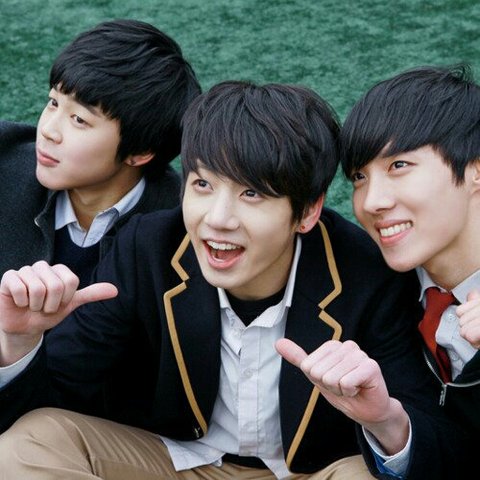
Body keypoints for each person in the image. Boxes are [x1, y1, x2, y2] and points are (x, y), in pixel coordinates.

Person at [0, 81, 467, 479]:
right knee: (32, 440)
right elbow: (58, 392)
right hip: (175, 462)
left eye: (251, 194)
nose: (218, 219)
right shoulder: (147, 247)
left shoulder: (367, 271)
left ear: (307, 211)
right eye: (203, 185)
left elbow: (440, 440)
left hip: (311, 472)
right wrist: (17, 344)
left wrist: (386, 421)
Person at [0, 18, 201, 286]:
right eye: (53, 102)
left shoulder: (184, 228)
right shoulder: (5, 156)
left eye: (79, 120)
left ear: (140, 151)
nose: (47, 130)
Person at [340, 65, 480, 437]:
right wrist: (387, 423)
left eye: (399, 165)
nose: (372, 201)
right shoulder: (377, 290)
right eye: (359, 177)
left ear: (475, 171)